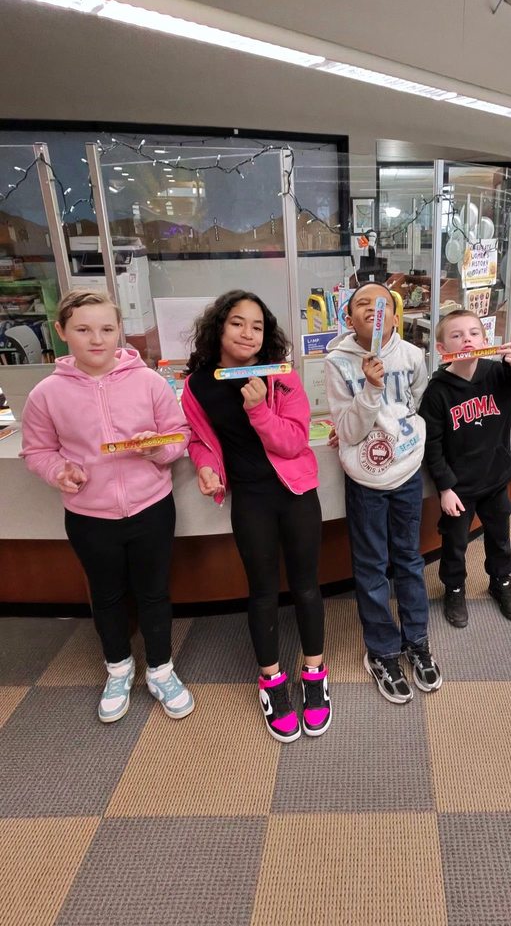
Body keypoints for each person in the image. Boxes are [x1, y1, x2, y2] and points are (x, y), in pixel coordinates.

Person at [21, 288, 194, 723]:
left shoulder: (149, 382)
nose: (96, 339)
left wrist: (156, 450)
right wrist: (59, 471)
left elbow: (178, 435)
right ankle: (118, 669)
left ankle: (161, 669)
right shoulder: (46, 393)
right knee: (107, 596)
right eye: (83, 329)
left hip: (151, 507)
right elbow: (36, 450)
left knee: (155, 593)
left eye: (107, 328)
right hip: (89, 516)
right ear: (62, 332)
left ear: (120, 331)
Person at [182, 290, 329, 743]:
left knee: (306, 587)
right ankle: (271, 681)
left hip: (296, 491)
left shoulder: (280, 376)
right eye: (237, 323)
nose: (248, 333)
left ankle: (314, 675)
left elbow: (293, 442)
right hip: (250, 498)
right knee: (262, 592)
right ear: (219, 329)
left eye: (257, 326)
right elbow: (199, 436)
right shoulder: (197, 385)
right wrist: (205, 465)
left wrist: (259, 408)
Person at [325, 282, 441, 704]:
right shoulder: (338, 363)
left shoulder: (412, 356)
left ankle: (417, 641)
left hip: (406, 472)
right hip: (365, 481)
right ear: (349, 317)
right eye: (361, 305)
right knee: (372, 565)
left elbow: (417, 407)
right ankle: (383, 651)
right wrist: (370, 391)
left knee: (409, 558)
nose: (373, 312)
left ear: (395, 315)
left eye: (382, 305)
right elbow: (351, 431)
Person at [419, 310, 511, 628]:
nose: (467, 340)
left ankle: (501, 583)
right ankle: (454, 588)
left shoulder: (498, 373)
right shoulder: (437, 391)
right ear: (441, 347)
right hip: (459, 488)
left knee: (500, 536)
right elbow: (431, 445)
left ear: (485, 339)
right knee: (454, 543)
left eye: (474, 334)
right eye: (457, 335)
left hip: (495, 477)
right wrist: (445, 487)